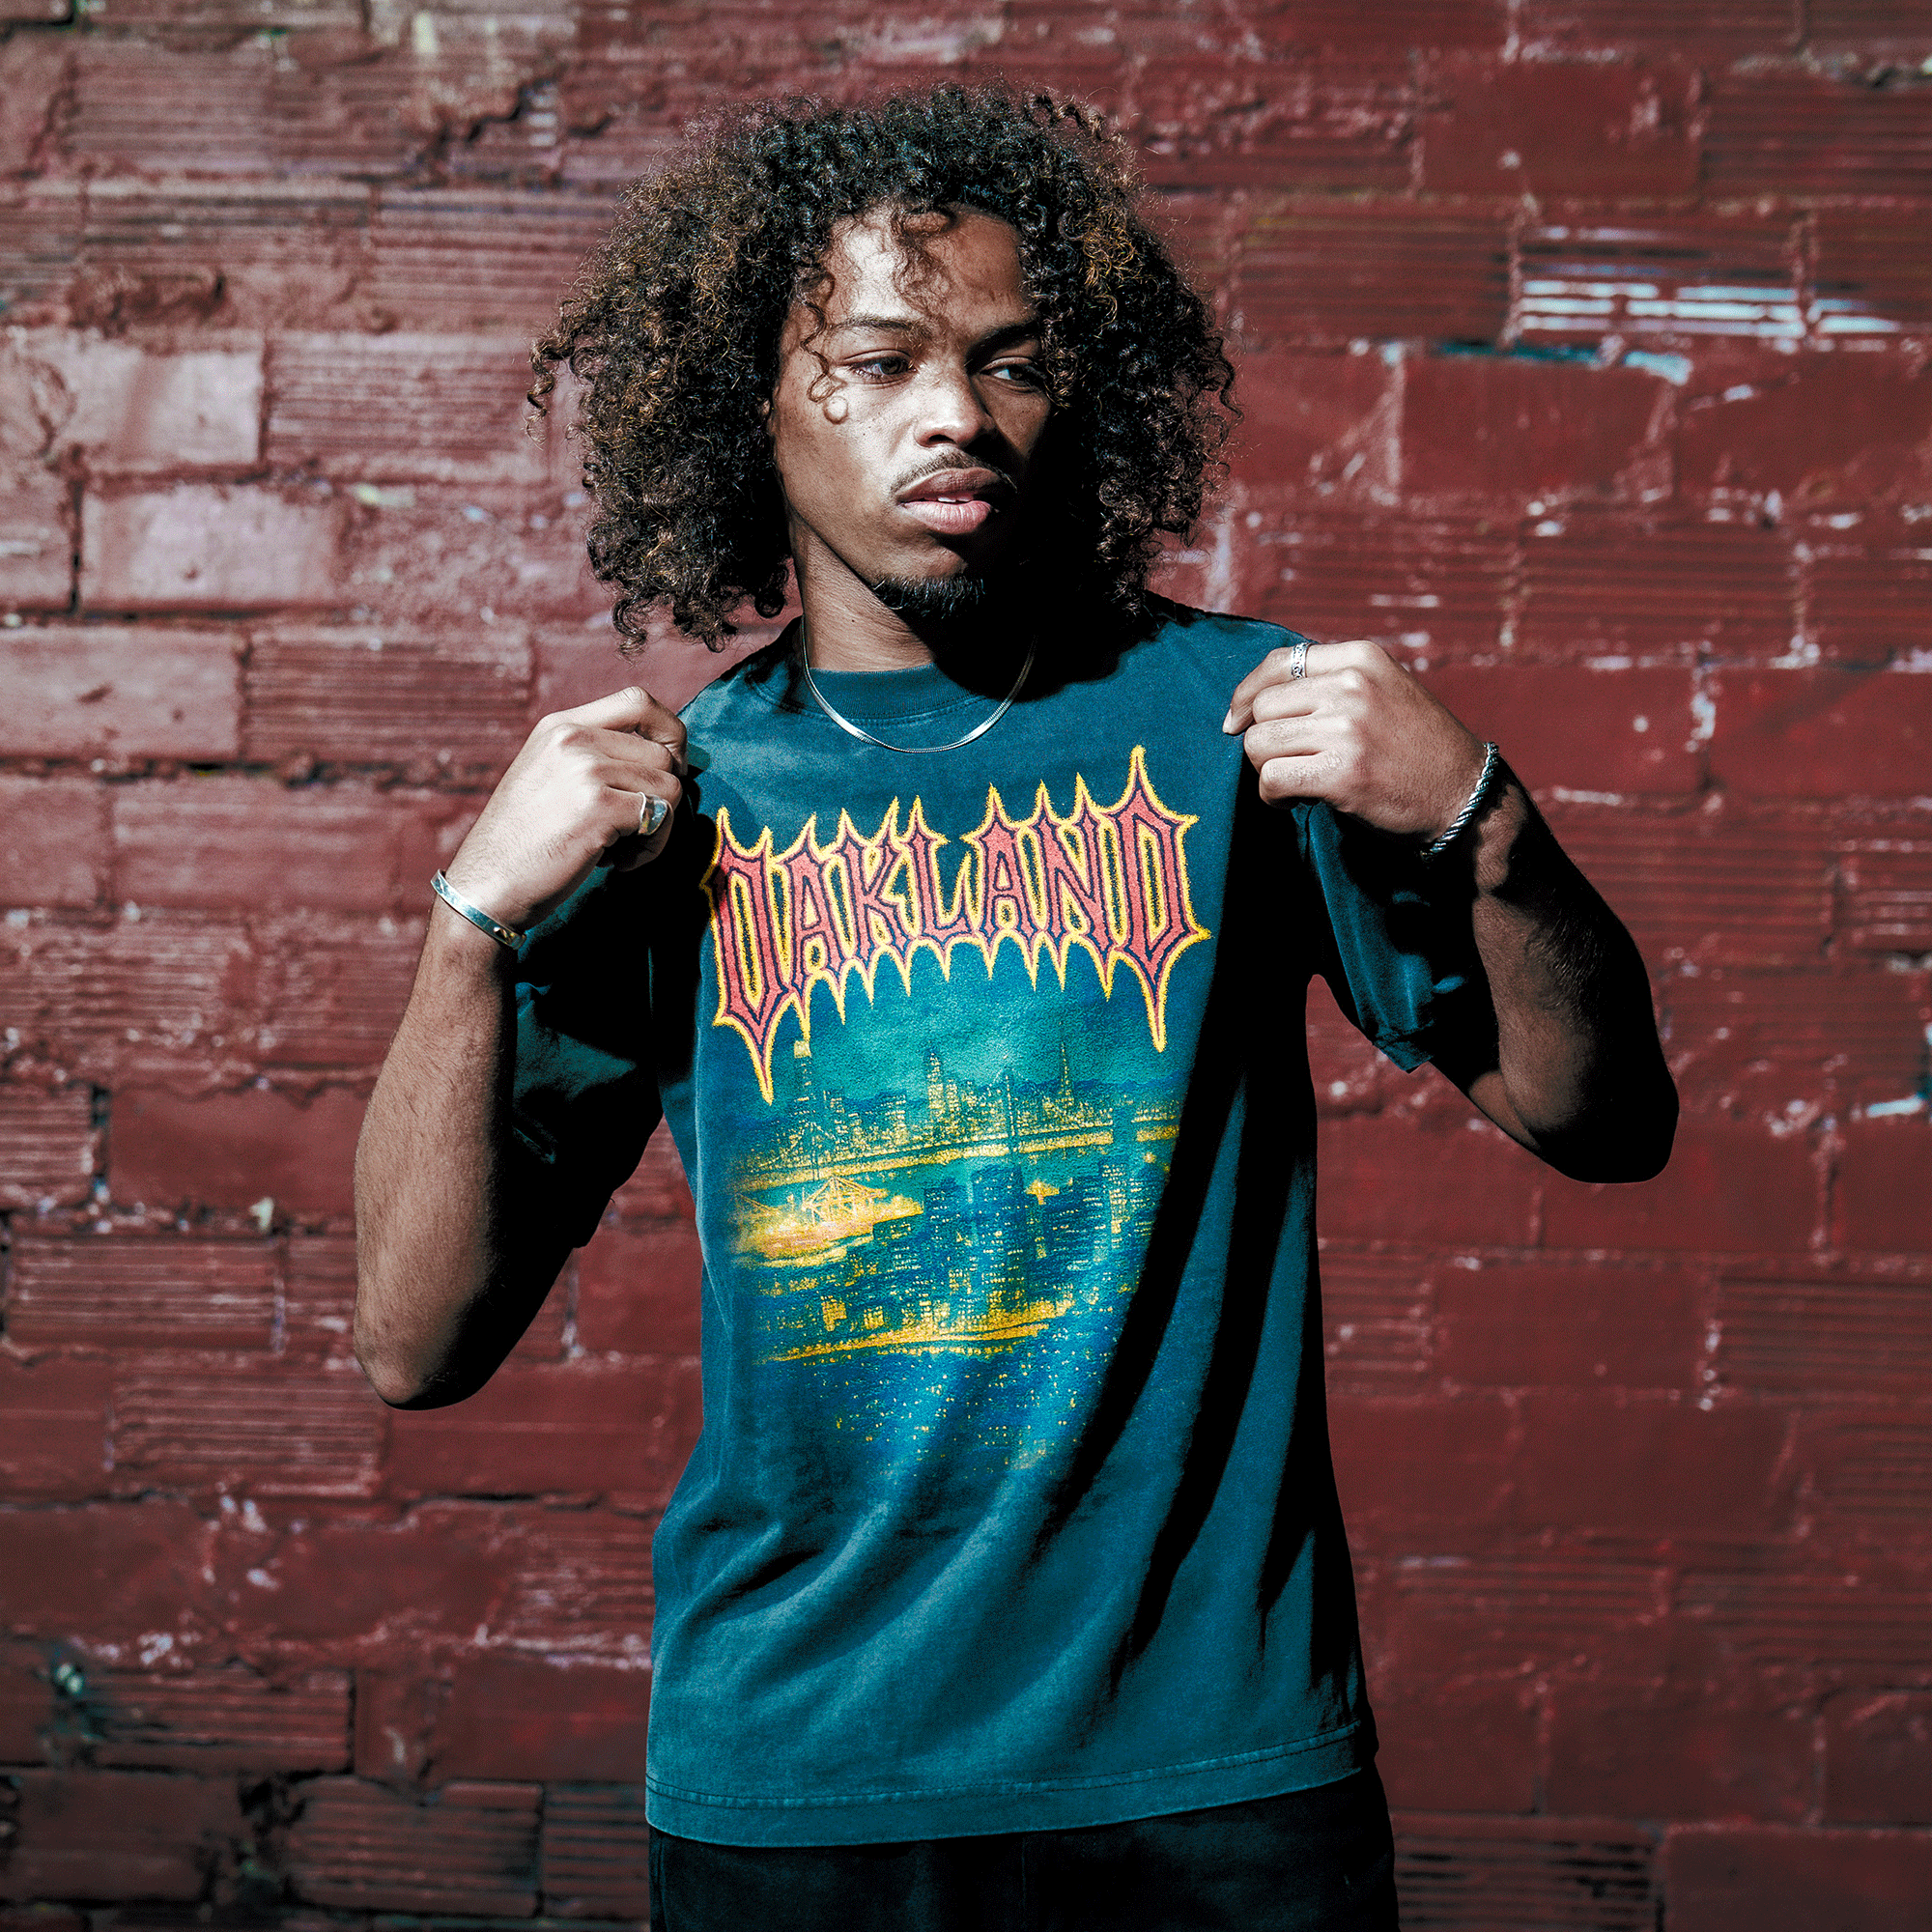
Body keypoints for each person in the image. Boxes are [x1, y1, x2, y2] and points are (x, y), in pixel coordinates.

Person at [353, 85, 1676, 1932]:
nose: (954, 416)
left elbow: (1602, 1122)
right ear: (757, 400)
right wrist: (468, 930)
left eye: (1009, 363)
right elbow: (417, 1344)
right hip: (799, 1781)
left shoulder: (1235, 727)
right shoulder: (674, 798)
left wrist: (1497, 827)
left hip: (1216, 1777)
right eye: (878, 362)